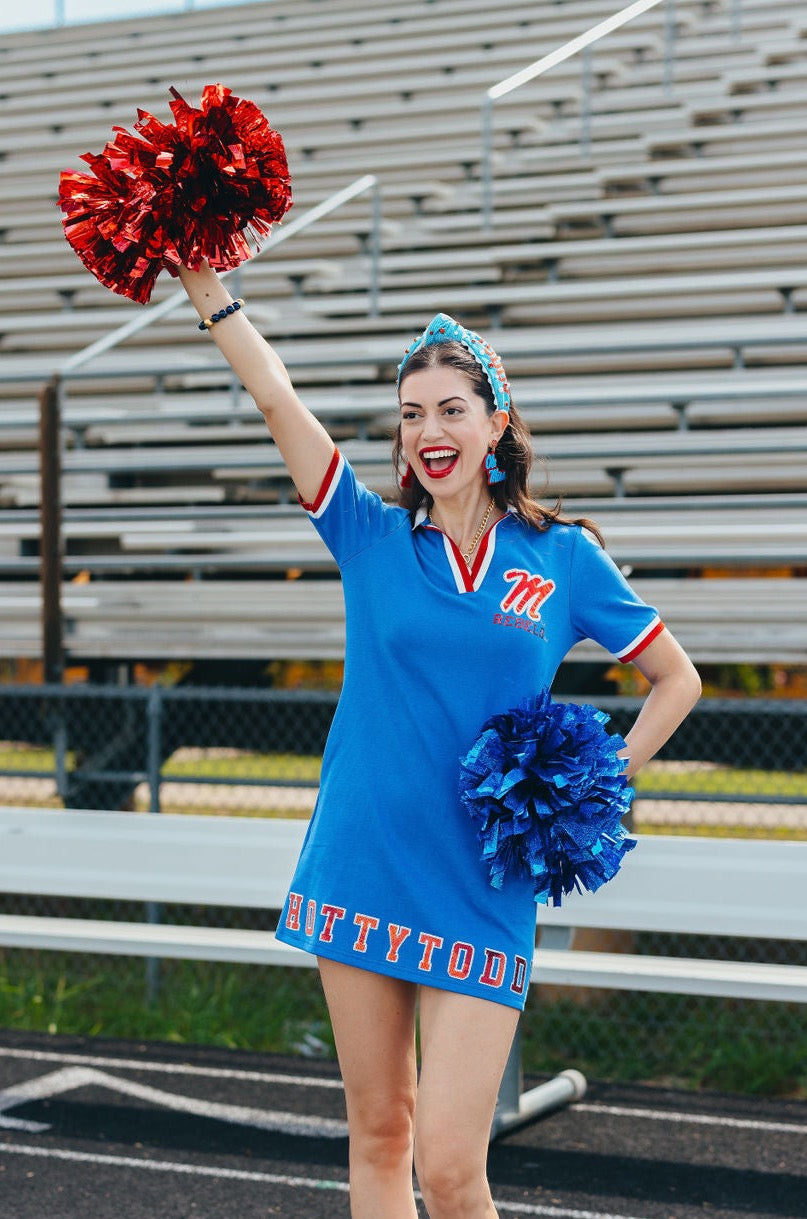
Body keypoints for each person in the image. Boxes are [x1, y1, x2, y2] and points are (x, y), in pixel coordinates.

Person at [179, 264, 702, 1219]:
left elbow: (677, 677)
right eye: (411, 414)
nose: (428, 433)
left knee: (453, 1167)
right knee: (380, 1135)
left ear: (495, 423)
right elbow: (274, 396)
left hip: (483, 880)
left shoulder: (563, 557)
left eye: (451, 409)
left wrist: (600, 785)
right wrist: (209, 289)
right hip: (364, 859)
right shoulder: (369, 535)